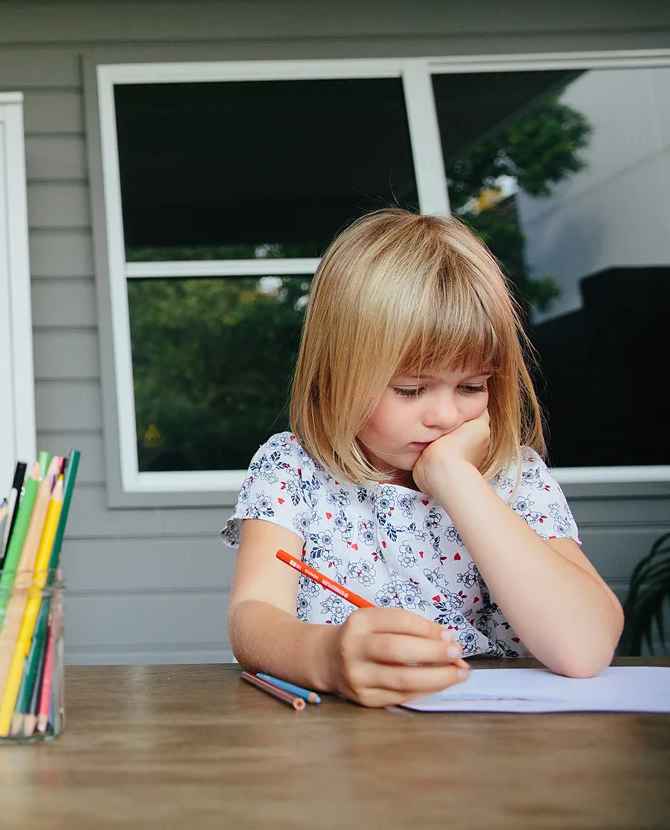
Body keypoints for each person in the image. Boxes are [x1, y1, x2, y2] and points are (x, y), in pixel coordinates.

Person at [223, 210, 622, 707]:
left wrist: (455, 477)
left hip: (503, 738)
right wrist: (326, 657)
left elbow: (585, 648)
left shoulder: (513, 478)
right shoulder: (294, 470)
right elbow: (252, 618)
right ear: (335, 375)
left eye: (472, 386)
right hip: (345, 738)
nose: (446, 416)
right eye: (411, 389)